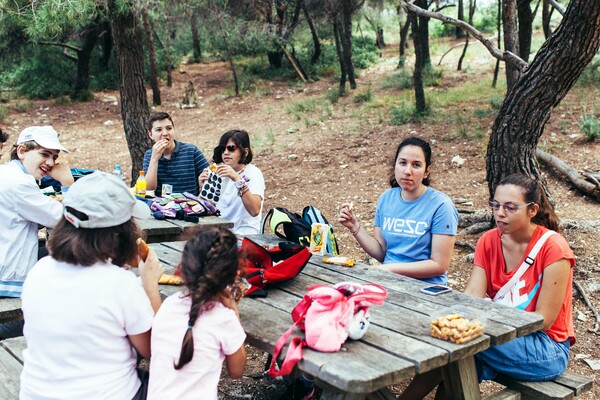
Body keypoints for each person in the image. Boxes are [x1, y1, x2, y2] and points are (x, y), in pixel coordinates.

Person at [399, 173, 575, 400]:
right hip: (504, 337)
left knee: (463, 344)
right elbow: (472, 295)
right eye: (496, 205)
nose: (500, 213)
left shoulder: (553, 248)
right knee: (457, 351)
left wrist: (478, 325)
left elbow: (544, 320)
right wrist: (452, 322)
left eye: (511, 207)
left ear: (532, 210)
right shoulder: (489, 241)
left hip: (547, 349)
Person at [20, 171, 163, 400]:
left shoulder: (39, 270)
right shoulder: (121, 284)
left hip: (36, 393)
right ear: (120, 232)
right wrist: (150, 286)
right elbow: (157, 351)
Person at [338, 136, 458, 285]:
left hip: (426, 289)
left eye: (416, 165)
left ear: (427, 171)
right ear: (395, 165)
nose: (407, 171)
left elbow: (439, 265)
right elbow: (382, 252)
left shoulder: (441, 205)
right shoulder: (386, 198)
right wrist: (354, 227)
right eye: (402, 163)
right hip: (389, 281)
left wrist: (391, 269)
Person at [148, 226, 246, 400]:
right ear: (234, 275)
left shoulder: (169, 305)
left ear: (184, 269)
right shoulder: (224, 318)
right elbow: (237, 371)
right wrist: (232, 308)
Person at [0, 126, 74, 300]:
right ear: (22, 151)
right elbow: (70, 219)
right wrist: (68, 183)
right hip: (9, 282)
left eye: (54, 157)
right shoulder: (20, 183)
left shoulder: (7, 172)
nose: (50, 163)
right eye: (44, 154)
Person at [199, 129, 265, 235]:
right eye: (222, 149)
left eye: (231, 148)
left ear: (245, 151)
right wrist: (203, 188)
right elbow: (208, 210)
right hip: (219, 231)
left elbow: (255, 210)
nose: (226, 152)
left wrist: (237, 179)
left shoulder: (254, 173)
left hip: (245, 232)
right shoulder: (216, 171)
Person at [143, 112, 209, 196]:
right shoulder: (149, 155)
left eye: (169, 128)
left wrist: (202, 185)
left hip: (191, 206)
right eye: (159, 130)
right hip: (161, 207)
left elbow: (209, 176)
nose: (165, 133)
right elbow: (149, 189)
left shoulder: (191, 151)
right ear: (150, 135)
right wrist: (154, 159)